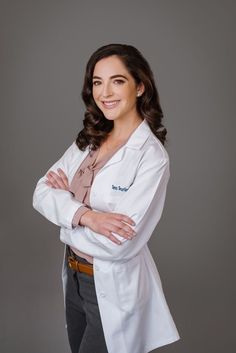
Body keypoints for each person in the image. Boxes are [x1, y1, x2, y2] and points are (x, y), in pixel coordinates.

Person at [32, 43, 180, 353]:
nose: (105, 92)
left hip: (110, 287)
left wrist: (67, 215)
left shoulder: (151, 158)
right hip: (74, 275)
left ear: (140, 87)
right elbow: (41, 193)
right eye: (97, 82)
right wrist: (89, 217)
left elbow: (119, 244)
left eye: (118, 81)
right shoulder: (90, 139)